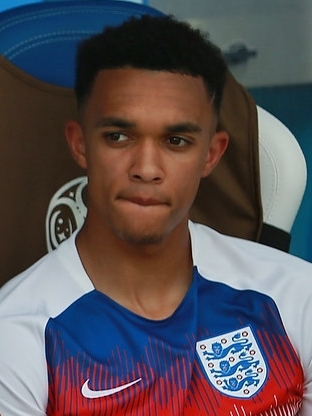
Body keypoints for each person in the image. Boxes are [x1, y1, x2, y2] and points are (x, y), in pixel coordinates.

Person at [0, 14, 311, 416]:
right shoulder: (17, 338)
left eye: (176, 140)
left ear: (211, 155)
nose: (146, 167)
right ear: (80, 145)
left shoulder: (295, 296)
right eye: (118, 136)